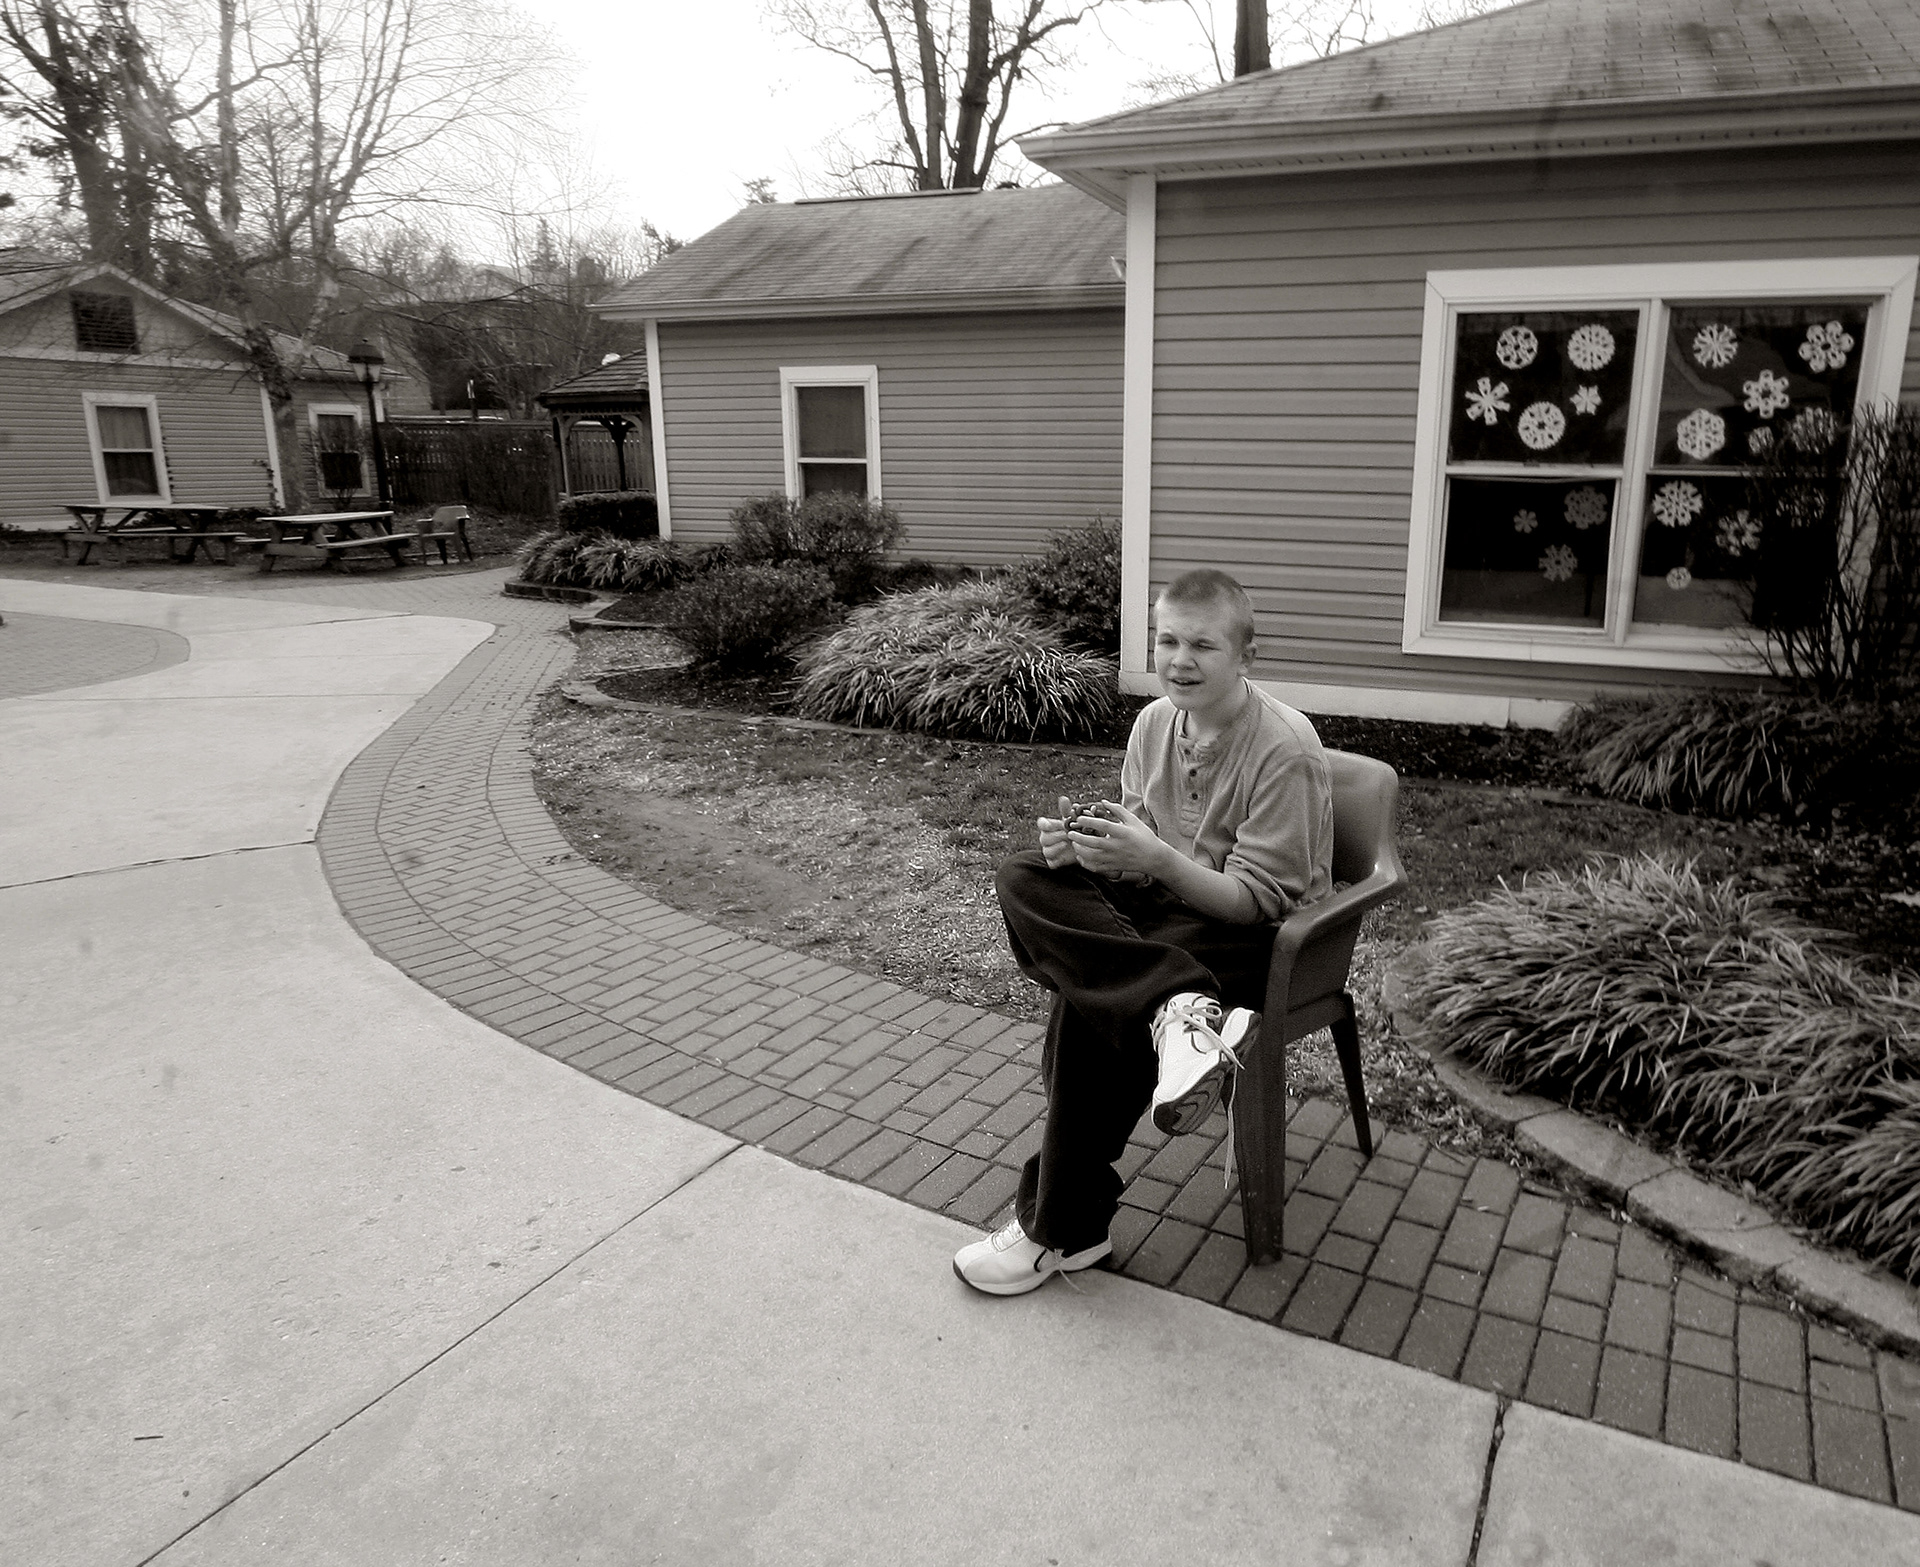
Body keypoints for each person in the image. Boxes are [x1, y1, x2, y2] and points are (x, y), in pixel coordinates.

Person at [953, 568, 1333, 1296]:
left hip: (1258, 943)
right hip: (1169, 924)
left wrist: (1152, 858)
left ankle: (1063, 1228)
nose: (1180, 659)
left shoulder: (1285, 749)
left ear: (1245, 656)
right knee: (1025, 873)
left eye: (1203, 645)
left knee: (1090, 1001)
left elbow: (1256, 901)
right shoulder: (1154, 723)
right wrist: (1095, 853)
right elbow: (1142, 857)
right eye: (1166, 640)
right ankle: (1174, 1011)